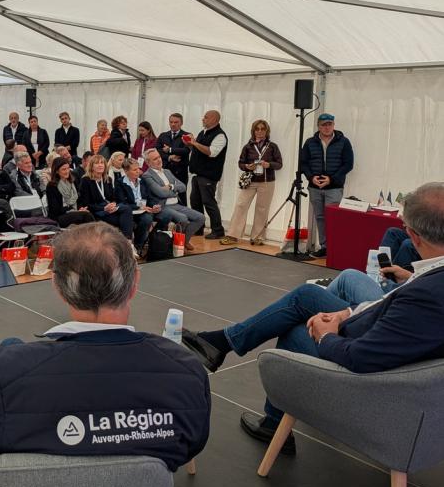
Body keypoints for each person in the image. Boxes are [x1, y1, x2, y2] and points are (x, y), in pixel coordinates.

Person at [182, 182, 444, 454]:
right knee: (340, 282)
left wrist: (325, 335)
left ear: (413, 236)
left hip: (375, 374)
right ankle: (223, 344)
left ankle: (273, 420)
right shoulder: (429, 280)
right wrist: (347, 312)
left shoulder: (424, 296)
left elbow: (362, 357)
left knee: (298, 324)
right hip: (388, 337)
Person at [0, 222, 210, 466]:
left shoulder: (6, 371)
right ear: (134, 282)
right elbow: (191, 444)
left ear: (58, 286)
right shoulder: (186, 370)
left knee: (11, 345)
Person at [298, 113, 354, 258]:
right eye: (324, 125)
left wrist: (332, 179)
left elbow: (348, 164)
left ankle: (335, 247)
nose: (327, 127)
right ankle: (325, 247)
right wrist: (311, 177)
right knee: (320, 217)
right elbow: (303, 163)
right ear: (318, 126)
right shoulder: (310, 142)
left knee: (333, 218)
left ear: (334, 125)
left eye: (330, 124)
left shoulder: (344, 142)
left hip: (334, 188)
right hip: (315, 187)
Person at [221, 120, 283, 246]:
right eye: (257, 129)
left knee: (262, 209)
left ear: (267, 131)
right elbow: (241, 163)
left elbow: (279, 164)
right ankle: (233, 235)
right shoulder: (248, 146)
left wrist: (269, 164)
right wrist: (247, 166)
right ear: (253, 131)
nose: (260, 131)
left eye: (262, 129)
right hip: (250, 181)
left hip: (266, 182)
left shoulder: (272, 146)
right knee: (241, 205)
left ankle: (257, 237)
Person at [142, 149, 204, 251]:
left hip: (176, 204)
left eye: (159, 157)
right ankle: (173, 244)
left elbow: (183, 187)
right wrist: (175, 191)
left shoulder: (167, 171)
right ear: (148, 162)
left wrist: (171, 186)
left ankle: (183, 241)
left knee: (200, 218)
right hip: (162, 206)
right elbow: (160, 193)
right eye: (155, 159)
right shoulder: (147, 175)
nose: (159, 160)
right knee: (183, 218)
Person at [185, 109, 227, 239]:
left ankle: (218, 230)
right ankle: (198, 228)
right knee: (195, 202)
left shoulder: (220, 136)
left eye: (206, 117)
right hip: (197, 174)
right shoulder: (202, 132)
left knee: (209, 202)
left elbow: (211, 152)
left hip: (208, 175)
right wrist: (190, 144)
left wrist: (195, 143)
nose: (203, 119)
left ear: (215, 119)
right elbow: (198, 149)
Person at [78, 154, 133, 240]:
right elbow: (86, 204)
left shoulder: (108, 179)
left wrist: (113, 204)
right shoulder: (86, 180)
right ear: (92, 166)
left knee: (126, 210)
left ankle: (126, 241)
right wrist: (104, 208)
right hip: (97, 211)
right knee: (126, 216)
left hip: (109, 209)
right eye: (97, 163)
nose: (100, 165)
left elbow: (113, 198)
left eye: (102, 163)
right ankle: (127, 241)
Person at [116, 158, 161, 260]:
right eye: (134, 170)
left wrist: (154, 205)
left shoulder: (142, 181)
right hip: (129, 211)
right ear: (126, 171)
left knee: (148, 219)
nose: (138, 172)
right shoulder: (120, 182)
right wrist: (139, 206)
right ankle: (133, 246)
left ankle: (138, 246)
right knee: (141, 220)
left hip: (143, 210)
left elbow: (149, 197)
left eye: (138, 169)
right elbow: (121, 202)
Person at [45, 158, 94, 228]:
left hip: (73, 212)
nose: (67, 171)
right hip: (59, 216)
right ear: (57, 171)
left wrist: (80, 208)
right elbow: (55, 209)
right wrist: (72, 210)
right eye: (64, 169)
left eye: (68, 168)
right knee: (86, 216)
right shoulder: (51, 186)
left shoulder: (73, 182)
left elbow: (79, 200)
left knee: (88, 213)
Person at [156, 113, 190, 207]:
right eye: (171, 122)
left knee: (181, 196)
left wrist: (170, 150)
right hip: (165, 170)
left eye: (176, 122)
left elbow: (186, 150)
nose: (173, 124)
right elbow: (157, 151)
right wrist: (169, 157)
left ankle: (183, 215)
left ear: (181, 123)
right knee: (164, 195)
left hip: (180, 172)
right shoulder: (163, 135)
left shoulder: (186, 136)